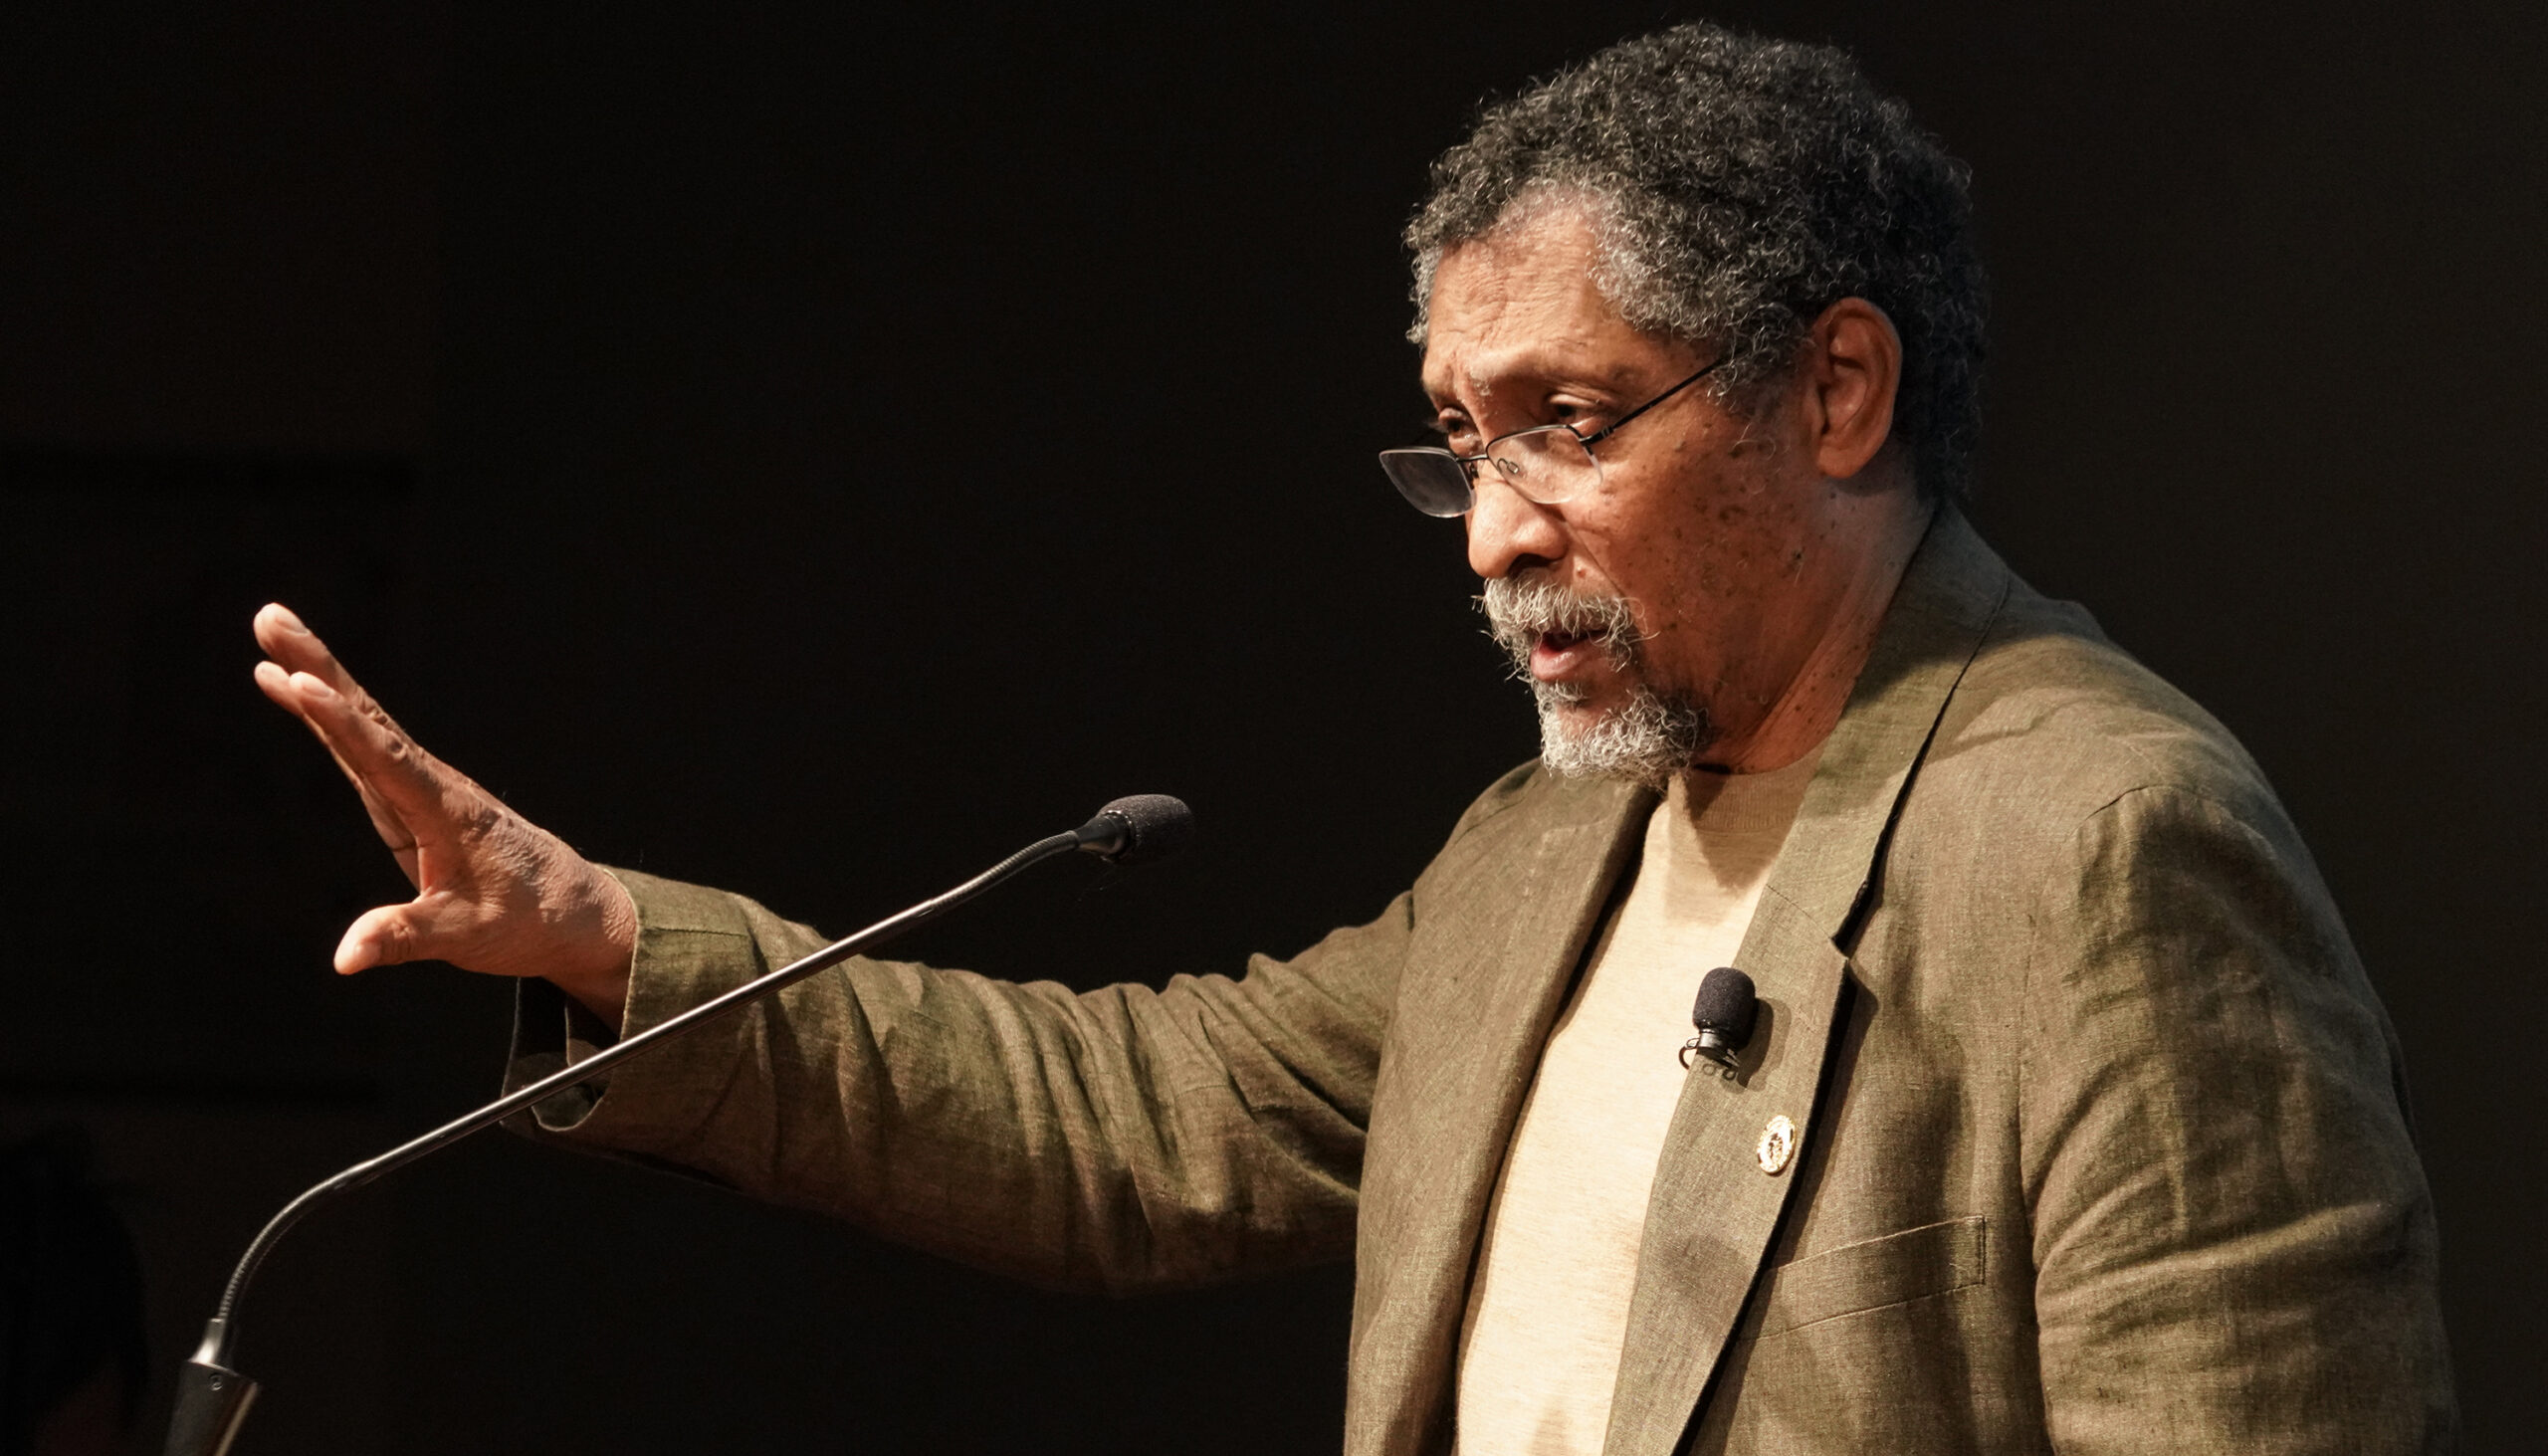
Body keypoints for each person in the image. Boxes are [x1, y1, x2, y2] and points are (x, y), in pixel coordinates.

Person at [247, 22, 2454, 1456]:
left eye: (1564, 427)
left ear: (1835, 392)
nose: (1491, 535)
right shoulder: (1540, 847)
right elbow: (1144, 1117)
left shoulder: (2101, 840)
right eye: (1456, 445)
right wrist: (612, 941)